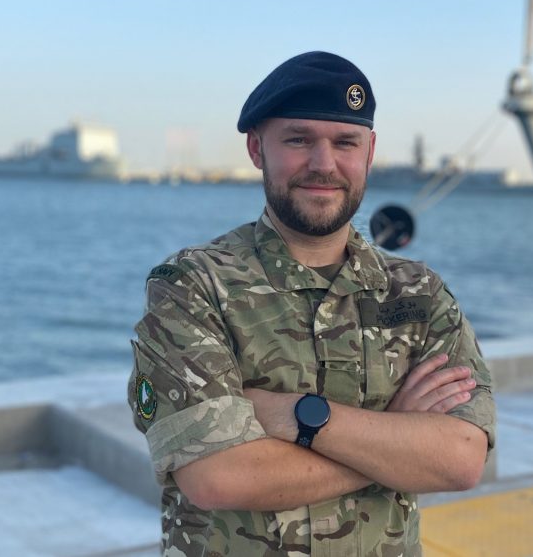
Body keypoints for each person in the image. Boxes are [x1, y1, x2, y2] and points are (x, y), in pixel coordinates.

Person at [128, 51, 495, 556]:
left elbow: (460, 458)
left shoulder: (418, 294)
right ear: (258, 149)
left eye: (346, 142)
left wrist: (298, 417)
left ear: (368, 153)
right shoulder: (193, 286)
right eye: (298, 140)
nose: (324, 164)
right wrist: (395, 436)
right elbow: (217, 476)